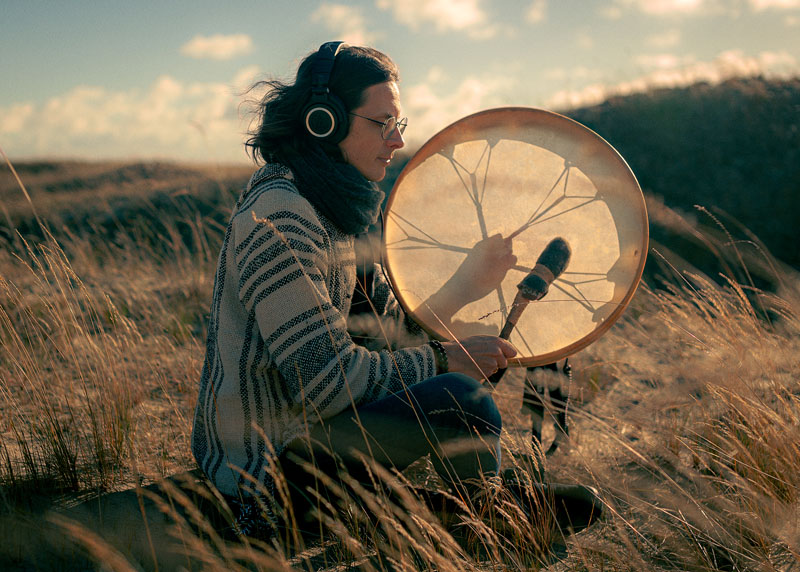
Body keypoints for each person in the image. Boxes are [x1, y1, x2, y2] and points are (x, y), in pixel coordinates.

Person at [190, 42, 519, 536]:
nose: (397, 141)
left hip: (320, 437)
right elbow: (323, 382)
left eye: (399, 125)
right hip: (266, 472)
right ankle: (478, 526)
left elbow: (390, 334)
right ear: (324, 121)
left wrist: (465, 286)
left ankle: (476, 511)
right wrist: (445, 360)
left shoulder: (337, 209)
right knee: (460, 398)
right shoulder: (280, 214)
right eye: (382, 123)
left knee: (457, 388)